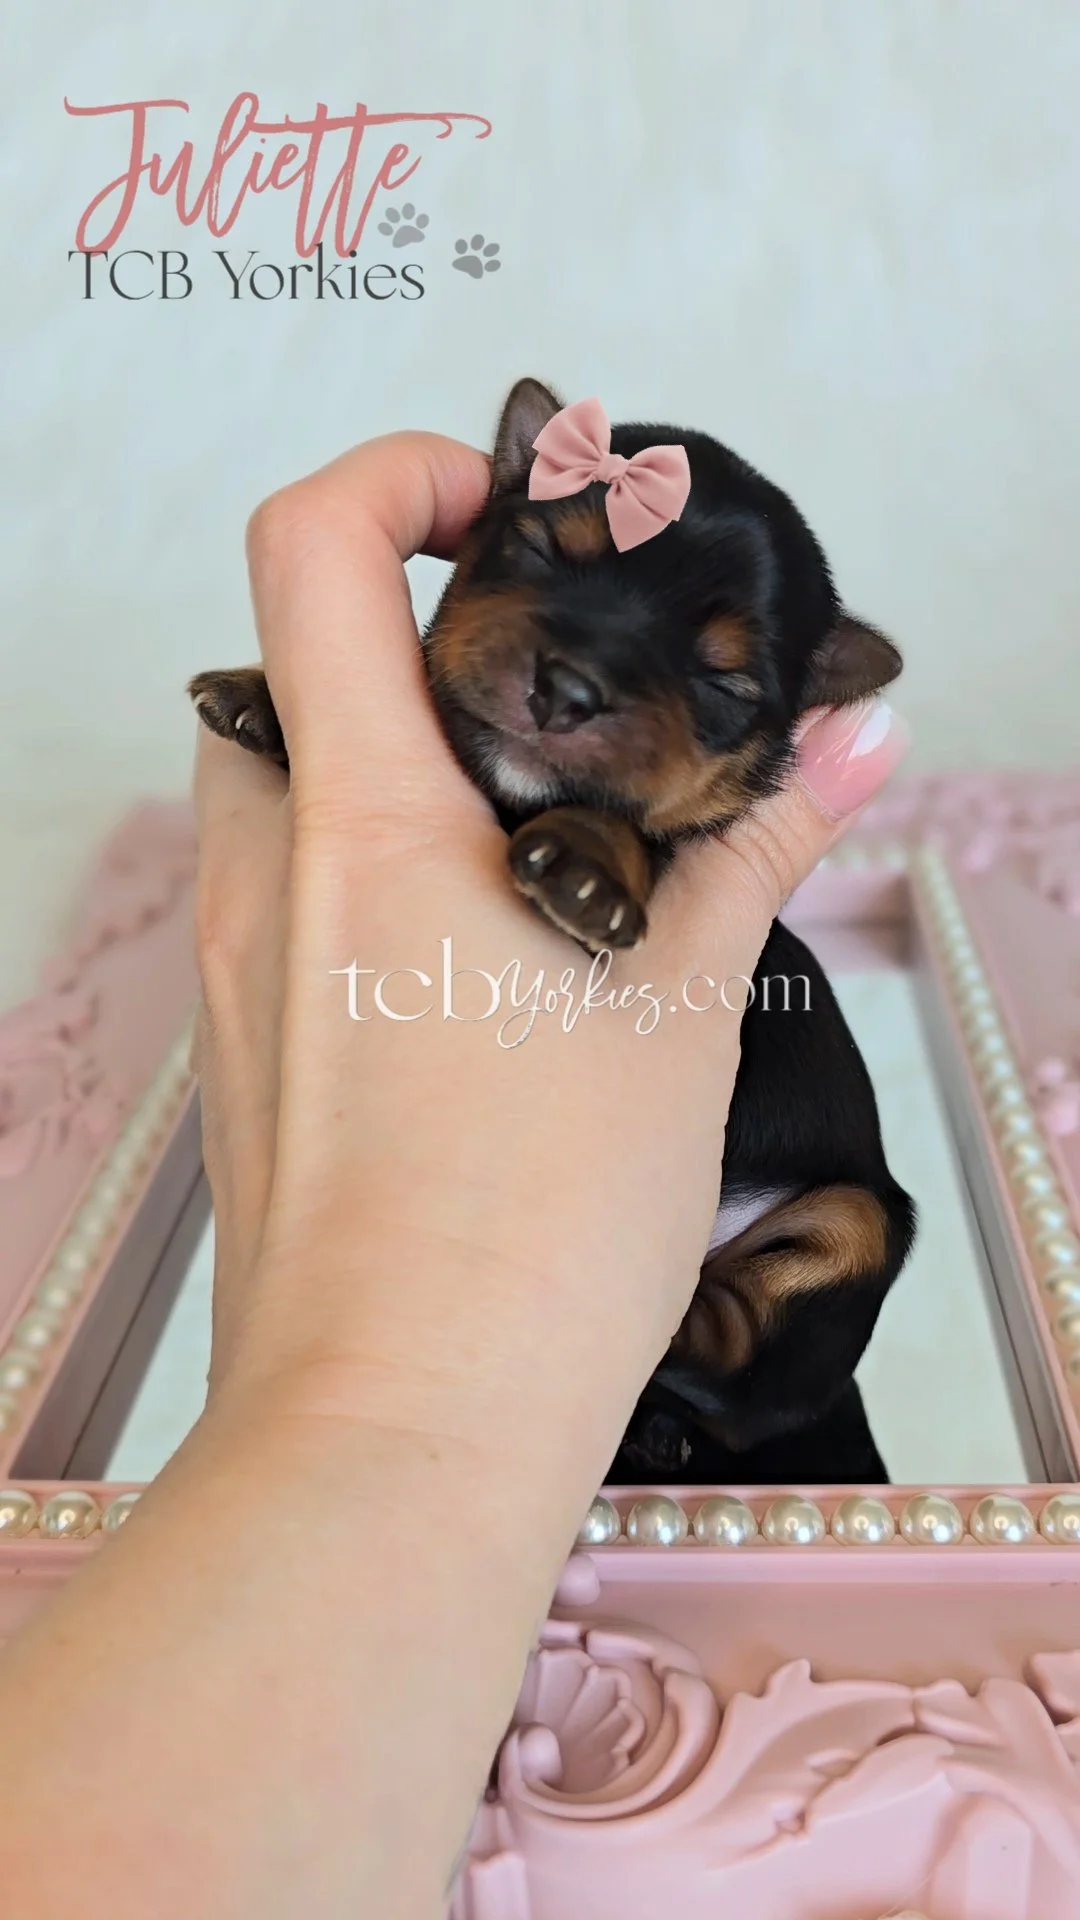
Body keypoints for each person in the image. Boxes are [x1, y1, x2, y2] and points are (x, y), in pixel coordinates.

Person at [0, 431, 908, 1919]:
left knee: (850, 1229)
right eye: (542, 561)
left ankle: (711, 1350)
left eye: (721, 682)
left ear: (785, 737)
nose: (569, 673)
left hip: (763, 1230)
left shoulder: (681, 848)